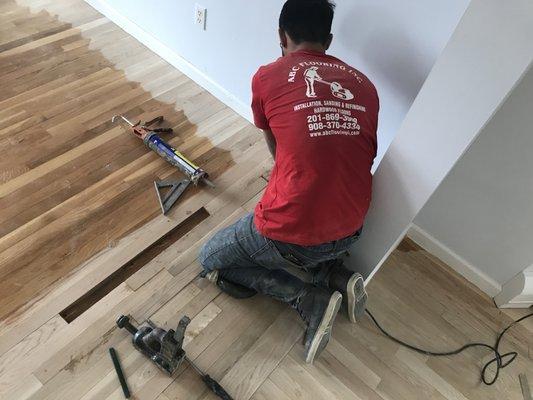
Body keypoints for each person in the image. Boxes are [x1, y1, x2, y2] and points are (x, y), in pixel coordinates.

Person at [199, 0, 379, 364]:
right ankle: (334, 273)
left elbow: (278, 149)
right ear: (328, 39)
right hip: (355, 226)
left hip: (294, 233)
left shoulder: (268, 76)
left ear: (281, 35)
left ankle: (306, 298)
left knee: (212, 259)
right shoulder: (365, 85)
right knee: (309, 235)